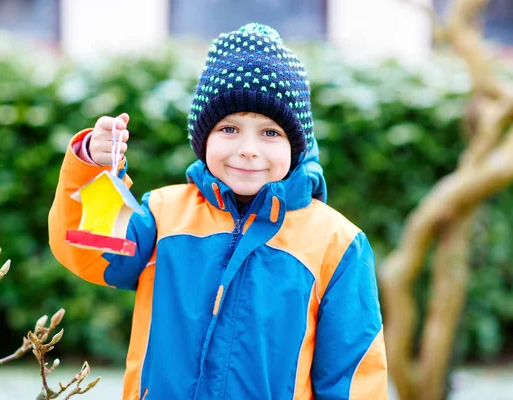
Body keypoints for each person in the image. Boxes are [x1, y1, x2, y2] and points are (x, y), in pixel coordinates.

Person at [49, 22, 387, 400]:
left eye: (270, 133)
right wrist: (94, 168)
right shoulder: (162, 217)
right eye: (229, 129)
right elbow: (90, 248)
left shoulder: (337, 244)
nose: (248, 148)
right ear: (203, 136)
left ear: (297, 146)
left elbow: (352, 374)